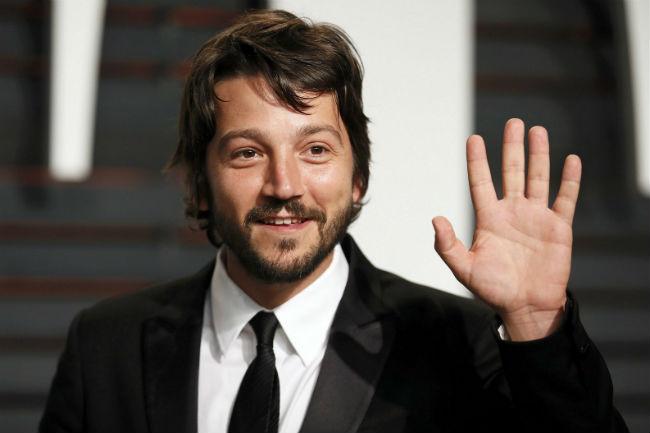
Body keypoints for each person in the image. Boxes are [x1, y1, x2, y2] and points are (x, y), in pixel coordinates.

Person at [40, 9, 629, 433]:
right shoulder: (106, 348)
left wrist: (535, 325)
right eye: (247, 153)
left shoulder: (457, 344)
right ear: (198, 181)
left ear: (358, 178)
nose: (284, 185)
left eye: (316, 150)